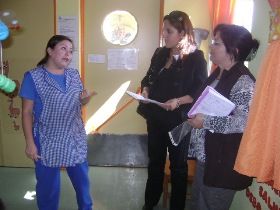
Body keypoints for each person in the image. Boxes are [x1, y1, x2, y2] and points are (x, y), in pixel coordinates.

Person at [139, 10, 208, 210]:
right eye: (163, 30)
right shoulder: (160, 53)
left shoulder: (196, 58)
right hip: (156, 117)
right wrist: (145, 90)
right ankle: (150, 202)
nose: (164, 35)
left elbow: (200, 90)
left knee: (178, 167)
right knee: (155, 163)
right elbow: (147, 78)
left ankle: (176, 207)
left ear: (182, 33)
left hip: (179, 120)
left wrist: (177, 101)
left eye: (168, 31)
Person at [187, 24, 260, 210]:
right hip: (207, 157)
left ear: (233, 51)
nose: (211, 46)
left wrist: (205, 121)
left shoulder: (243, 81)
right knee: (197, 203)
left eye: (216, 43)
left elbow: (244, 122)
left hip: (223, 164)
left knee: (210, 205)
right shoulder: (217, 74)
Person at [19, 35, 96, 210]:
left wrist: (84, 100)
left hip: (74, 137)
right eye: (63, 48)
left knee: (83, 186)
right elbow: (26, 112)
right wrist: (30, 143)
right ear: (50, 51)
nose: (68, 54)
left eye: (71, 51)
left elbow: (77, 104)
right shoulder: (33, 77)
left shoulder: (74, 75)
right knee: (48, 190)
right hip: (47, 139)